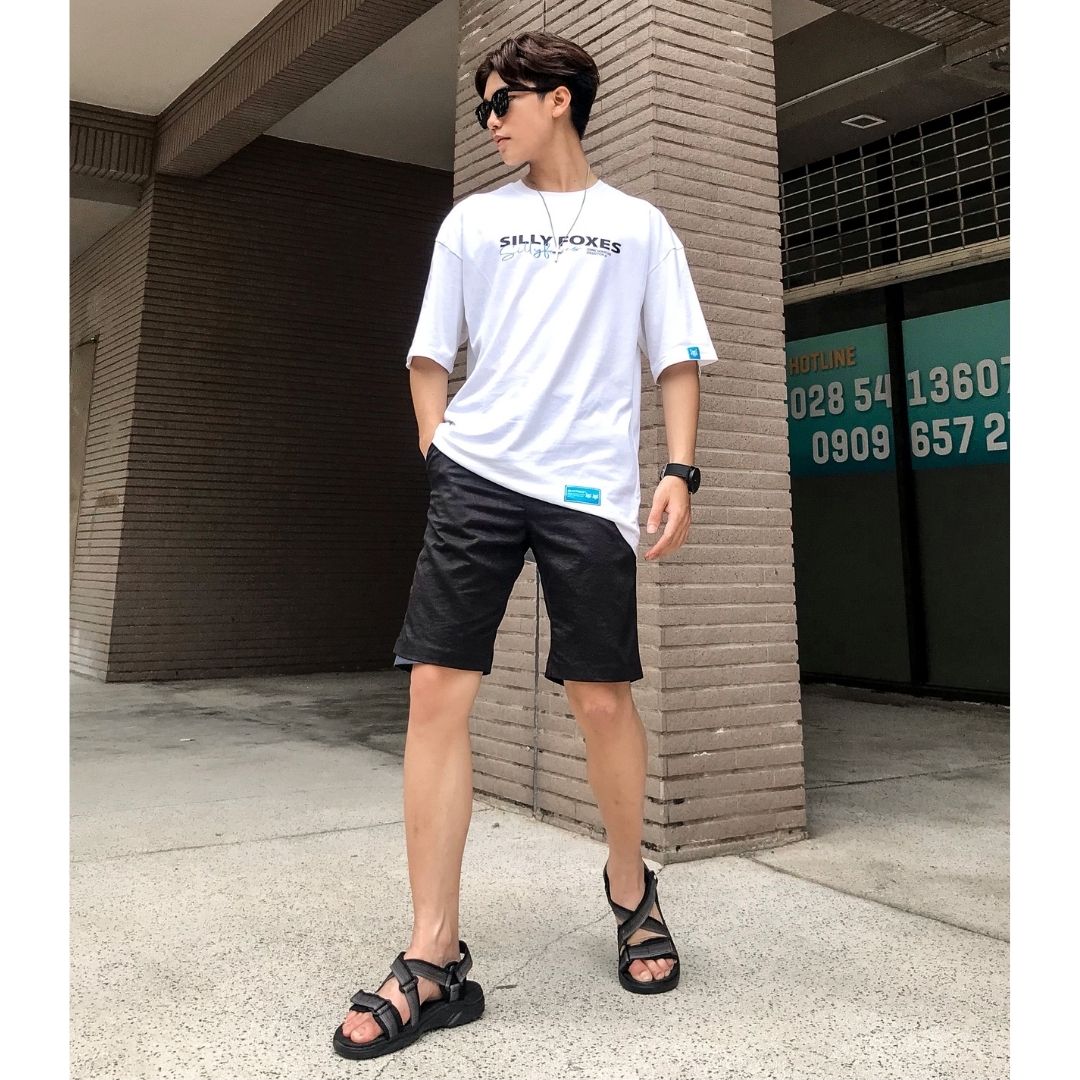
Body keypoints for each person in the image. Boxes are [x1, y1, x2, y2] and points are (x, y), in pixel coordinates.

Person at [333, 29, 718, 1061]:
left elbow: (676, 356)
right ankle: (433, 956)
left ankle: (631, 890)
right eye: (482, 106)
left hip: (589, 489)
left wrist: (679, 470)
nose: (490, 121)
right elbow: (428, 355)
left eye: (501, 102)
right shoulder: (472, 223)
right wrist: (441, 452)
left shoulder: (640, 226)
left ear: (559, 99)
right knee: (435, 690)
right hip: (479, 475)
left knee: (601, 698)